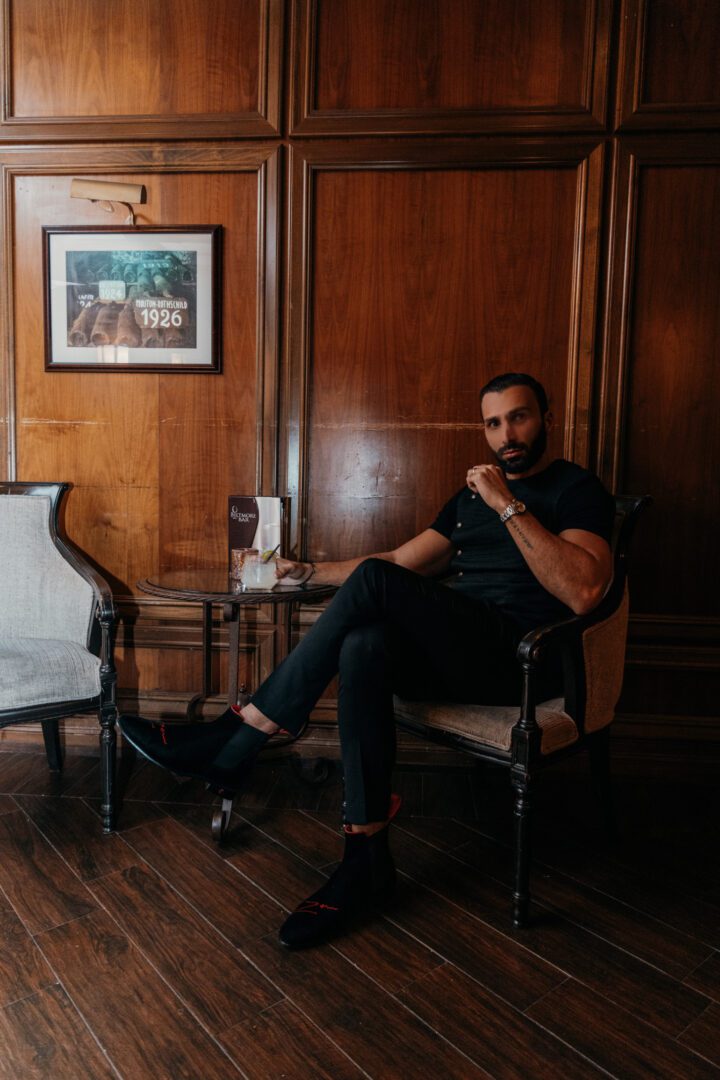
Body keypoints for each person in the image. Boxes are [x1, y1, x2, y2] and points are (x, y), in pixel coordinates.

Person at [120, 372, 614, 948]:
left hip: (523, 662)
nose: (507, 434)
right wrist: (305, 571)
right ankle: (365, 860)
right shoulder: (466, 501)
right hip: (461, 653)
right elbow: (402, 559)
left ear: (547, 420)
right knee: (364, 644)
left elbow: (584, 591)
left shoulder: (575, 490)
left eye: (520, 417)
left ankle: (243, 733)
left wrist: (507, 503)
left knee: (378, 591)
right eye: (493, 422)